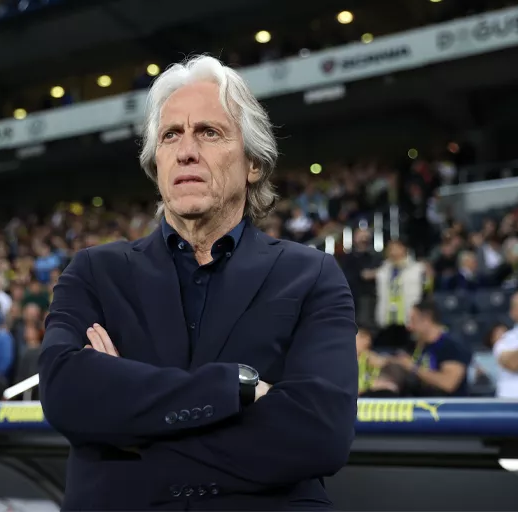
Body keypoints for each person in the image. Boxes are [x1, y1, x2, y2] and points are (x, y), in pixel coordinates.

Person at [38, 55, 357, 511]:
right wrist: (235, 388)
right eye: (171, 135)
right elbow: (65, 396)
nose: (186, 151)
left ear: (253, 163)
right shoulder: (93, 271)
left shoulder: (312, 274)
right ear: (156, 164)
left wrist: (129, 427)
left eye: (209, 132)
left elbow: (319, 436)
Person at [396, 299, 471, 396]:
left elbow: (448, 383)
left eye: (413, 321)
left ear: (427, 319)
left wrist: (413, 368)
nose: (409, 327)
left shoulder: (452, 346)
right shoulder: (416, 345)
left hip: (447, 404)